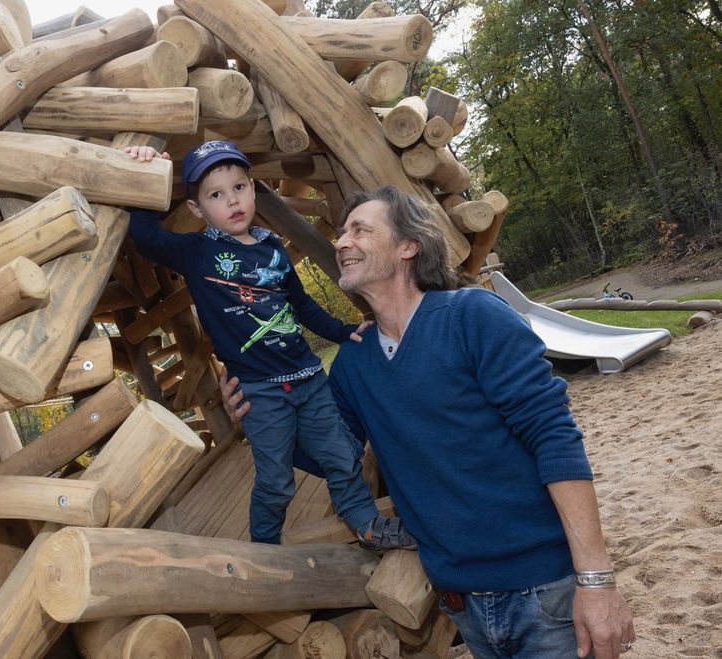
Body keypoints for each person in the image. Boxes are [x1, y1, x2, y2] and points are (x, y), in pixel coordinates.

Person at [220, 185, 636, 659]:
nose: (341, 243)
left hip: (545, 593)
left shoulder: (472, 316)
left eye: (360, 229)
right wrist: (259, 424)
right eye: (341, 233)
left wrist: (597, 581)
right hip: (461, 603)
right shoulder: (354, 365)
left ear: (407, 246)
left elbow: (555, 438)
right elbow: (335, 457)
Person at [124, 140, 414, 550]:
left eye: (239, 187)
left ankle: (367, 525)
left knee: (342, 457)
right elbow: (145, 236)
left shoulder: (273, 249)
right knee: (276, 480)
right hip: (260, 391)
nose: (232, 200)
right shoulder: (196, 253)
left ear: (253, 189)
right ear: (196, 210)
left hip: (309, 379)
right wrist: (145, 172)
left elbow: (300, 304)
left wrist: (340, 330)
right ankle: (264, 548)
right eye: (216, 195)